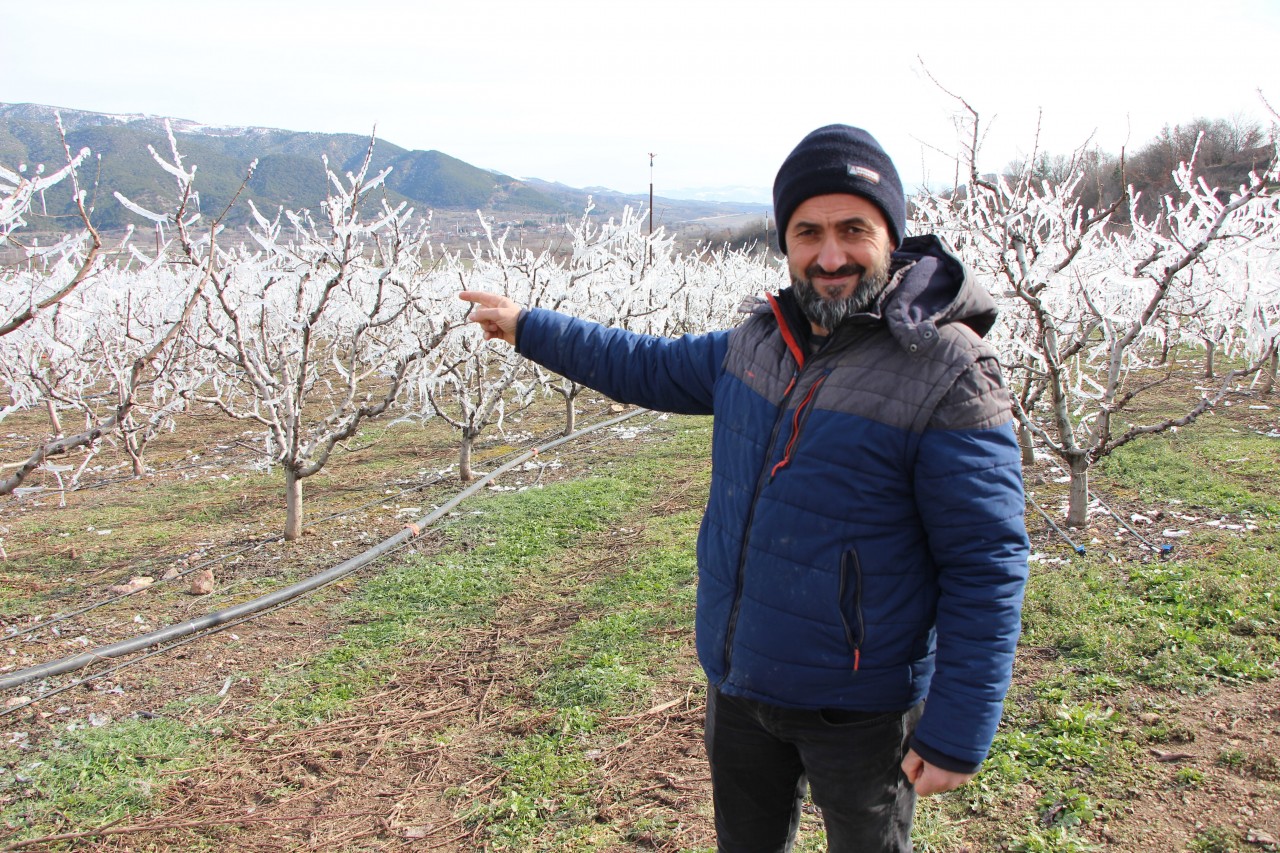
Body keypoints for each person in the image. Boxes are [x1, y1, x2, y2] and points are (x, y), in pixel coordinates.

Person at [461, 124, 1029, 853]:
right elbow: (643, 364)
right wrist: (527, 326)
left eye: (854, 229)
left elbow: (986, 559)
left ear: (893, 233)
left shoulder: (948, 370)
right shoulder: (759, 342)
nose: (830, 255)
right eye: (808, 231)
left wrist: (959, 728)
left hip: (859, 705)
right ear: (786, 241)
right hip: (742, 681)